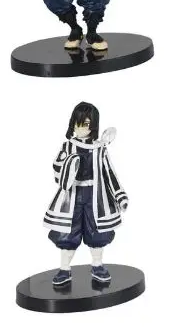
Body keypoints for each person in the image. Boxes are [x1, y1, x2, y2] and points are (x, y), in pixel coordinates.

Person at [43, 102, 128, 288]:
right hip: (71, 197)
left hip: (95, 197)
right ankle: (64, 269)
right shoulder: (68, 146)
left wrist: (120, 196)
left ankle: (97, 265)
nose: (81, 128)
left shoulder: (99, 149)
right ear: (72, 123)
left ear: (93, 125)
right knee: (67, 232)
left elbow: (109, 173)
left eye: (86, 124)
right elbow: (57, 170)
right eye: (78, 123)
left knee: (97, 231)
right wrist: (68, 165)